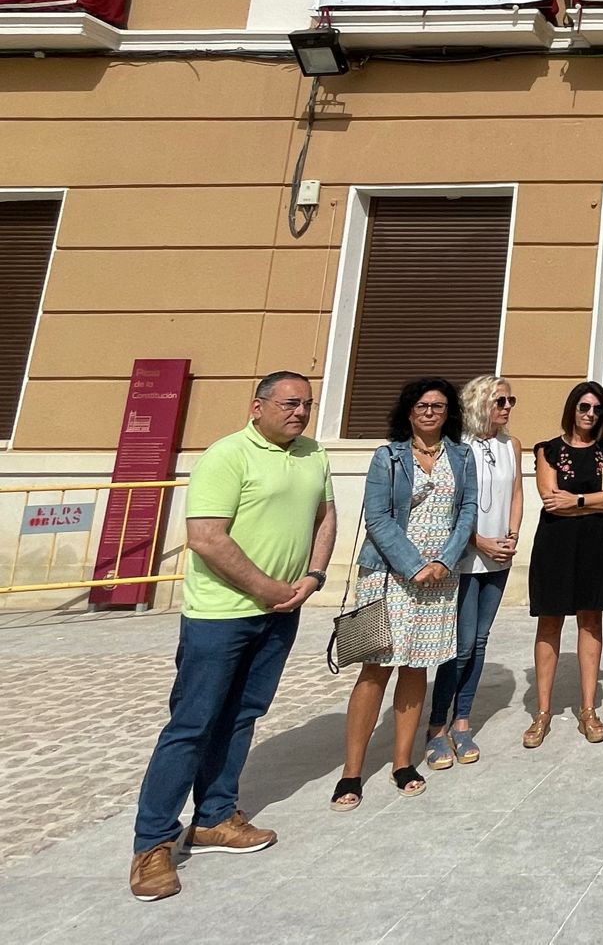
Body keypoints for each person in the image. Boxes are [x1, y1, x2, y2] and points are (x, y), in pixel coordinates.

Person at [129, 371, 335, 902]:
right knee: (192, 724)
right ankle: (152, 843)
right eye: (289, 403)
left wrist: (313, 576)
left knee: (243, 715)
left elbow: (325, 515)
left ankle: (215, 817)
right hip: (220, 616)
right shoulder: (226, 455)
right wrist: (267, 588)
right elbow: (205, 538)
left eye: (307, 404)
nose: (300, 412)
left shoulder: (313, 454)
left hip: (280, 612)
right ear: (257, 406)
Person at [334, 378, 478, 810]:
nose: (430, 412)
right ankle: (351, 772)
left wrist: (444, 561)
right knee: (375, 668)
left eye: (438, 406)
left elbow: (467, 511)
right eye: (422, 406)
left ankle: (402, 763)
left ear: (449, 412)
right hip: (389, 575)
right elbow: (377, 517)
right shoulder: (388, 456)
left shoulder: (462, 456)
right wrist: (414, 565)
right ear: (409, 411)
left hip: (440, 579)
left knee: (416, 666)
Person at [424, 375, 523, 770]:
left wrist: (513, 534)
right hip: (465, 557)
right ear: (480, 401)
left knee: (479, 641)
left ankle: (462, 720)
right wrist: (479, 541)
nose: (507, 407)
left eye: (511, 401)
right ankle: (436, 726)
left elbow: (516, 493)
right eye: (500, 401)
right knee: (460, 645)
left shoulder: (511, 445)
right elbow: (448, 505)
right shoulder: (455, 446)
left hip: (499, 556)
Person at [524, 380, 603, 749]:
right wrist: (597, 502)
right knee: (550, 621)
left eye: (597, 409)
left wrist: (578, 501)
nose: (590, 414)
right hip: (556, 543)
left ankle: (588, 709)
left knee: (591, 619)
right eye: (584, 407)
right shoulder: (548, 450)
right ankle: (542, 712)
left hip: (597, 543)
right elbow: (551, 500)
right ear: (572, 408)